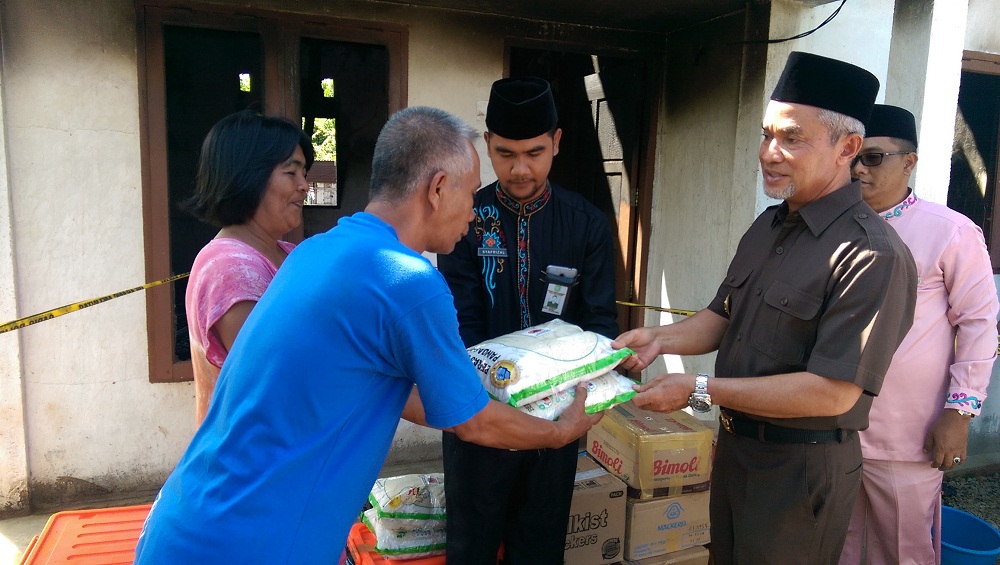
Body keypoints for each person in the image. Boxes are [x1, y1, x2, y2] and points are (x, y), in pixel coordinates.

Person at [133, 106, 603, 564]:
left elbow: (412, 397)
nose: (475, 213)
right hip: (256, 542)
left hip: (188, 521)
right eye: (470, 193)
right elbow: (473, 421)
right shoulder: (410, 280)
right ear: (438, 189)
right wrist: (560, 433)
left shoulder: (315, 251)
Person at [613, 52, 919, 564]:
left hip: (801, 470)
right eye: (765, 134)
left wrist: (699, 389)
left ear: (847, 148)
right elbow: (722, 315)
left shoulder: (873, 254)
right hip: (737, 452)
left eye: (791, 137)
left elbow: (833, 391)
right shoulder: (770, 226)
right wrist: (658, 339)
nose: (768, 153)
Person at [437, 76, 619, 564]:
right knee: (469, 550)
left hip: (553, 431)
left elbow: (601, 326)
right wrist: (493, 406)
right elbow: (460, 325)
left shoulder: (587, 225)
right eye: (505, 153)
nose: (519, 169)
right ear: (488, 144)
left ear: (557, 143)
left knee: (538, 552)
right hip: (477, 422)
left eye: (534, 153)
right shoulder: (465, 219)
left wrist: (572, 404)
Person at [838, 104, 999, 565]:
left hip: (908, 433)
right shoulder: (834, 227)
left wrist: (959, 414)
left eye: (874, 157)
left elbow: (979, 324)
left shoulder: (949, 231)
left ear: (909, 162)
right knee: (840, 544)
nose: (859, 169)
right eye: (852, 157)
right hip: (833, 423)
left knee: (903, 549)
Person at [182, 110, 314, 425]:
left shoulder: (288, 254)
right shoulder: (230, 268)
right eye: (291, 172)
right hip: (253, 466)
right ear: (248, 176)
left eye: (304, 173)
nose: (304, 186)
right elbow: (278, 381)